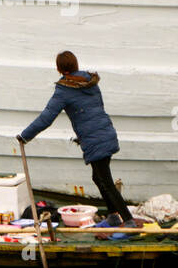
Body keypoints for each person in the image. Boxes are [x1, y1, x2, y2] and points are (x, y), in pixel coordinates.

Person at [17, 51, 135, 225]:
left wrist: (25, 136)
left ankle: (128, 220)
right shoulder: (90, 82)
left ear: (59, 69)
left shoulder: (64, 89)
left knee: (106, 181)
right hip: (106, 132)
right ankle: (112, 216)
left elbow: (46, 118)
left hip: (95, 139)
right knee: (98, 177)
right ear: (76, 65)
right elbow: (95, 108)